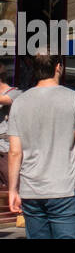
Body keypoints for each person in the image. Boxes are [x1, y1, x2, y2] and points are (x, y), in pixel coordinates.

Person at [6, 54, 75, 239]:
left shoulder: (19, 103)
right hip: (63, 188)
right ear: (58, 67)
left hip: (31, 190)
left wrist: (13, 189)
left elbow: (15, 152)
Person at [0, 66, 21, 221]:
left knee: (12, 183)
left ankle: (20, 214)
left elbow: (5, 100)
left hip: (7, 149)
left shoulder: (14, 92)